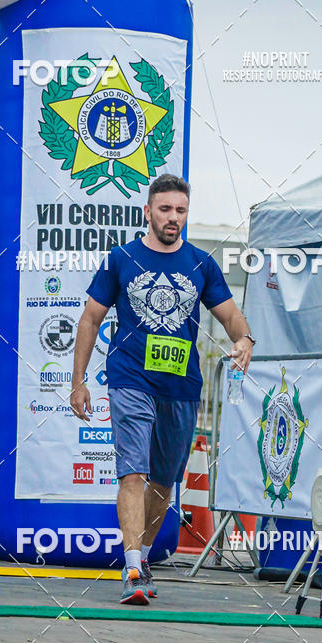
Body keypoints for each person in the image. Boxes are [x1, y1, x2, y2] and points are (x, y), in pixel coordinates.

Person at [70, 174, 255, 604]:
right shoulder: (121, 259)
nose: (174, 218)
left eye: (181, 211)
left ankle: (146, 556)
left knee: (162, 482)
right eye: (166, 209)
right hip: (130, 377)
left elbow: (230, 316)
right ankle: (132, 568)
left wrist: (244, 340)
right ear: (148, 212)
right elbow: (90, 320)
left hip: (181, 387)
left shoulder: (200, 264)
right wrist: (78, 381)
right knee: (133, 472)